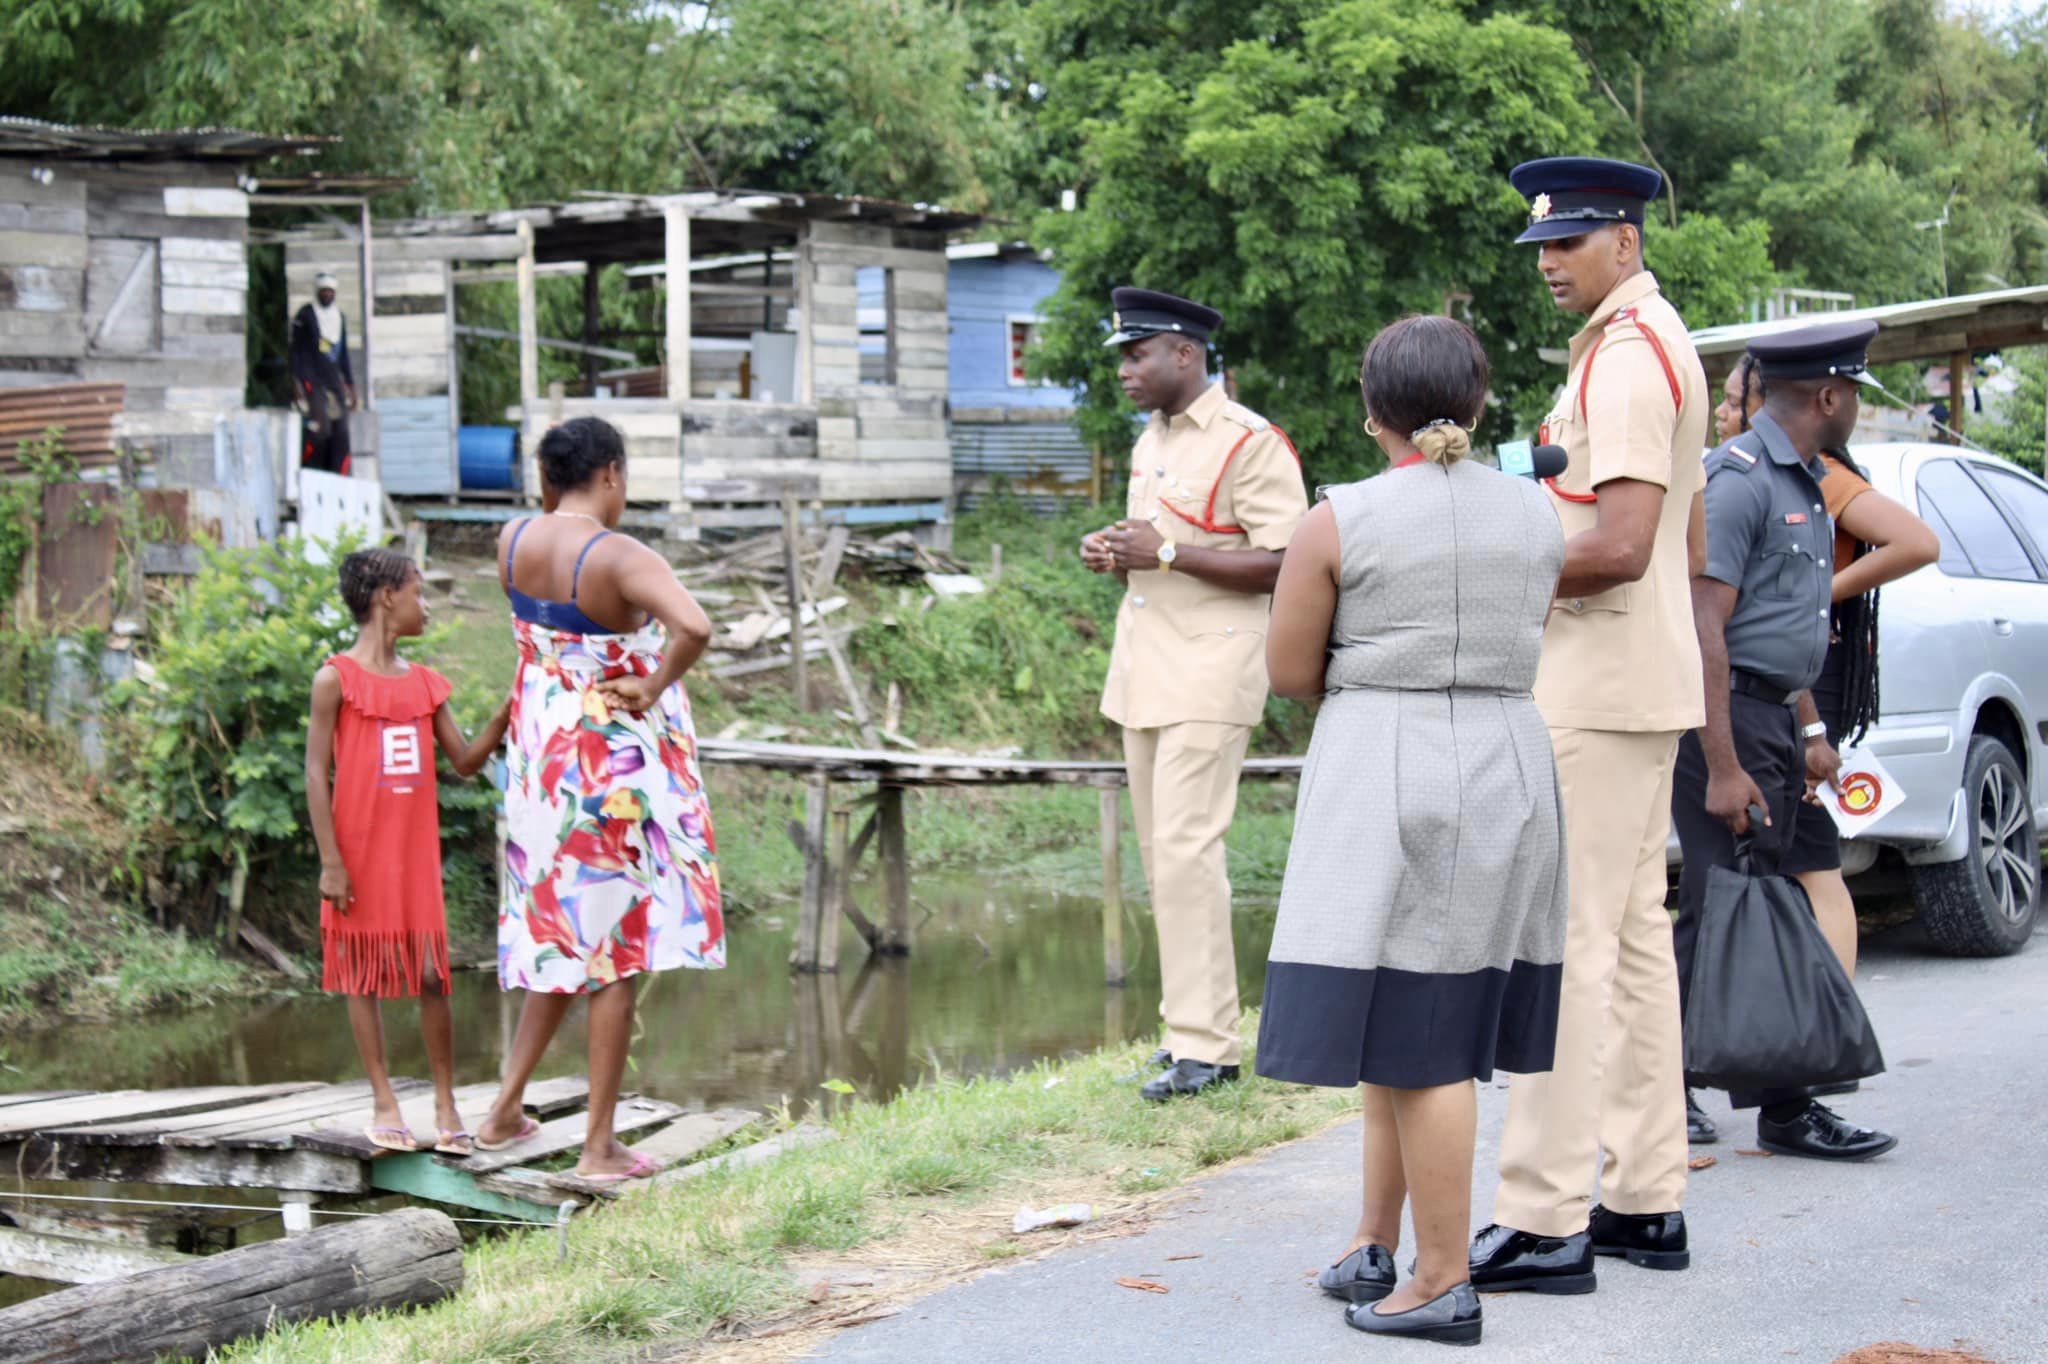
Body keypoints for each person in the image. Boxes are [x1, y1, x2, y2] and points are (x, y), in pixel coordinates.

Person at [1258, 315, 1566, 1347]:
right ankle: (1371, 1239)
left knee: (1423, 1031)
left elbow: (1289, 671)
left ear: (1369, 408)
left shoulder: (1336, 518)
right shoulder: (1534, 513)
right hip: (1509, 754)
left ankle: (1439, 1277)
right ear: (1478, 404)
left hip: (1391, 756)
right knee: (1415, 1009)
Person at [1473, 157, 1710, 1295]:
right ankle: (1642, 1196)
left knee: (1560, 947)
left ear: (1623, 240)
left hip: (1595, 683)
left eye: (1567, 242)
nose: (1548, 263)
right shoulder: (1644, 342)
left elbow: (1617, 542)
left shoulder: (1626, 357)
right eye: (1539, 247)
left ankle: (1543, 1211)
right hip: (1630, 678)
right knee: (1625, 944)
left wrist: (1482, 567)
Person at [1686, 354, 1938, 1143]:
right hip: (1726, 724)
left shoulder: (1802, 479)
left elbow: (1779, 628)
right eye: (1855, 392)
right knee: (1715, 911)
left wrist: (1810, 730)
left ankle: (1783, 1106)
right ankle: (1666, 1092)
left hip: (1772, 722)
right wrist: (1724, 766)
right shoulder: (1737, 479)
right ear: (1829, 397)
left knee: (1765, 908)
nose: (1858, 405)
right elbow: (1705, 627)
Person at [474, 416, 722, 1181]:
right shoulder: (618, 555)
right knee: (616, 951)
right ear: (610, 472)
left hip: (542, 760)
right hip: (610, 773)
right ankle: (597, 1145)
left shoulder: (512, 541)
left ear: (551, 477)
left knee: (559, 931)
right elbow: (695, 626)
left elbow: (542, 646)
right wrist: (650, 683)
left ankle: (503, 1111)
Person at [1080, 287, 1309, 1102]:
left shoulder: (1251, 443)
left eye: (1136, 355)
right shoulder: (1153, 441)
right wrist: (1119, 551)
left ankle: (1210, 1049)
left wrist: (1169, 552)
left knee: (1186, 849)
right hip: (1146, 667)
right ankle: (1187, 1032)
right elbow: (1157, 547)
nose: (1125, 372)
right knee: (1161, 857)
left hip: (1213, 667)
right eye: (1122, 358)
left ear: (1185, 353)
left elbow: (1287, 559)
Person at [304, 548, 513, 1156]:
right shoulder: (334, 679)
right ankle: (384, 1101)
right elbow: (317, 774)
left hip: (413, 853)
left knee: (430, 974)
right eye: (419, 592)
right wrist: (331, 861)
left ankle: (447, 1103)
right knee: (361, 975)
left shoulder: (425, 685)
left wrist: (501, 718)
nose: (427, 605)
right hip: (357, 852)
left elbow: (466, 764)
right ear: (385, 597)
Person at [291, 271, 357, 474]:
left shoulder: (339, 318)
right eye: (324, 291)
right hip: (311, 378)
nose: (327, 295)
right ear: (317, 292)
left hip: (333, 380)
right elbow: (295, 350)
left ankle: (337, 474)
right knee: (320, 429)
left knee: (342, 431)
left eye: (330, 291)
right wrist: (296, 382)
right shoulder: (306, 315)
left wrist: (350, 385)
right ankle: (310, 470)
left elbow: (343, 353)